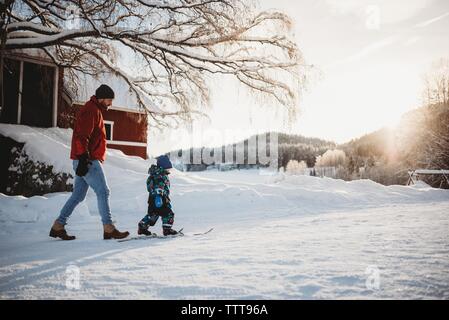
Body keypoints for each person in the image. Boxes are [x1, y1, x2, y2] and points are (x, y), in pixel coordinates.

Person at [49, 84, 129, 240]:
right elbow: (81, 136)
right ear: (101, 98)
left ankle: (58, 226)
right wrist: (84, 157)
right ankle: (108, 227)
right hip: (87, 159)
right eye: (109, 100)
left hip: (83, 158)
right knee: (103, 191)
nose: (110, 103)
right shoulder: (90, 110)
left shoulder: (94, 110)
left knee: (78, 195)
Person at [138, 155, 179, 236]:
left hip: (152, 199)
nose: (168, 169)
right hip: (160, 198)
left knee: (153, 214)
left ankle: (142, 226)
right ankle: (167, 229)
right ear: (163, 166)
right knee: (168, 214)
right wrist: (159, 196)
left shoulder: (157, 174)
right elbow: (158, 186)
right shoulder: (159, 175)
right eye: (167, 168)